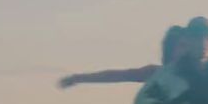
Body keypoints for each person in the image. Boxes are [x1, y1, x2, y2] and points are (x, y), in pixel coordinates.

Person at [57, 26, 185, 89]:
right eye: (179, 46)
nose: (183, 51)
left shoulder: (203, 71)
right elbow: (118, 75)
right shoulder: (157, 73)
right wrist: (79, 78)